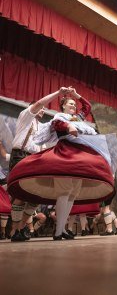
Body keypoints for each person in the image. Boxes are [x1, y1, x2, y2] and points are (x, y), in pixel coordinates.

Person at [8, 87, 117, 240]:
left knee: (71, 192)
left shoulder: (77, 117)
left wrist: (75, 95)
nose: (73, 106)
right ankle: (23, 230)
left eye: (74, 104)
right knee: (60, 190)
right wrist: (68, 126)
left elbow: (87, 107)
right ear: (63, 106)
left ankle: (60, 229)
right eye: (70, 103)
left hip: (79, 156)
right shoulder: (58, 117)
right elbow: (57, 124)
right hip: (64, 155)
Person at [8, 87, 69, 242]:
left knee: (36, 196)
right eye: (40, 108)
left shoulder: (40, 127)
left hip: (34, 159)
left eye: (43, 109)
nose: (43, 110)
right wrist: (58, 94)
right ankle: (14, 231)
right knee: (21, 194)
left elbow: (54, 128)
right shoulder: (26, 116)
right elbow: (40, 103)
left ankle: (21, 229)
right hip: (20, 156)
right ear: (33, 107)